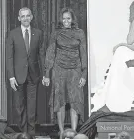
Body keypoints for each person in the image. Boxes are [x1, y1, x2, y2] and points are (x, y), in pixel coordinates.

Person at [43, 8, 87, 135]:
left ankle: (73, 132)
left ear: (72, 19)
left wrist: (84, 74)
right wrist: (47, 74)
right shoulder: (56, 33)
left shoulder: (80, 33)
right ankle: (62, 132)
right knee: (59, 100)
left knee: (75, 100)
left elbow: (83, 54)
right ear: (60, 20)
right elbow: (50, 53)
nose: (66, 21)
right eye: (64, 18)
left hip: (75, 69)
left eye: (68, 18)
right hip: (59, 69)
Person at [6, 7, 45, 136]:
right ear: (19, 18)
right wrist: (11, 77)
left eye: (28, 16)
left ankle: (31, 134)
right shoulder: (13, 34)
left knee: (32, 106)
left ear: (32, 17)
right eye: (23, 16)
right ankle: (23, 133)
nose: (25, 18)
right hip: (18, 76)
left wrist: (45, 74)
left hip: (33, 75)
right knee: (19, 106)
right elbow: (9, 57)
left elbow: (41, 55)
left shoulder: (38, 33)